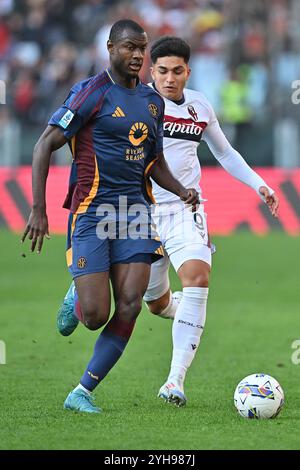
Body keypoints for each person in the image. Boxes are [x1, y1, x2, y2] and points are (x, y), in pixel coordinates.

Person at [21, 21, 199, 414]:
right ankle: (78, 295)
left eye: (143, 49)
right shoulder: (91, 93)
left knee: (132, 303)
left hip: (136, 213)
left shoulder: (153, 103)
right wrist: (38, 208)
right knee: (95, 316)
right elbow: (44, 145)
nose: (138, 55)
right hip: (92, 213)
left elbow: (154, 162)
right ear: (110, 48)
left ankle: (82, 390)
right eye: (129, 48)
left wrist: (182, 189)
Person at [142, 36, 279, 407]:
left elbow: (225, 152)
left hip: (187, 208)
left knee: (198, 277)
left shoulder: (199, 105)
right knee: (155, 304)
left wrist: (259, 184)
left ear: (188, 71)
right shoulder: (138, 106)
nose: (170, 78)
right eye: (163, 71)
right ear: (151, 71)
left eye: (177, 71)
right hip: (143, 212)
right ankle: (180, 306)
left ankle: (174, 381)